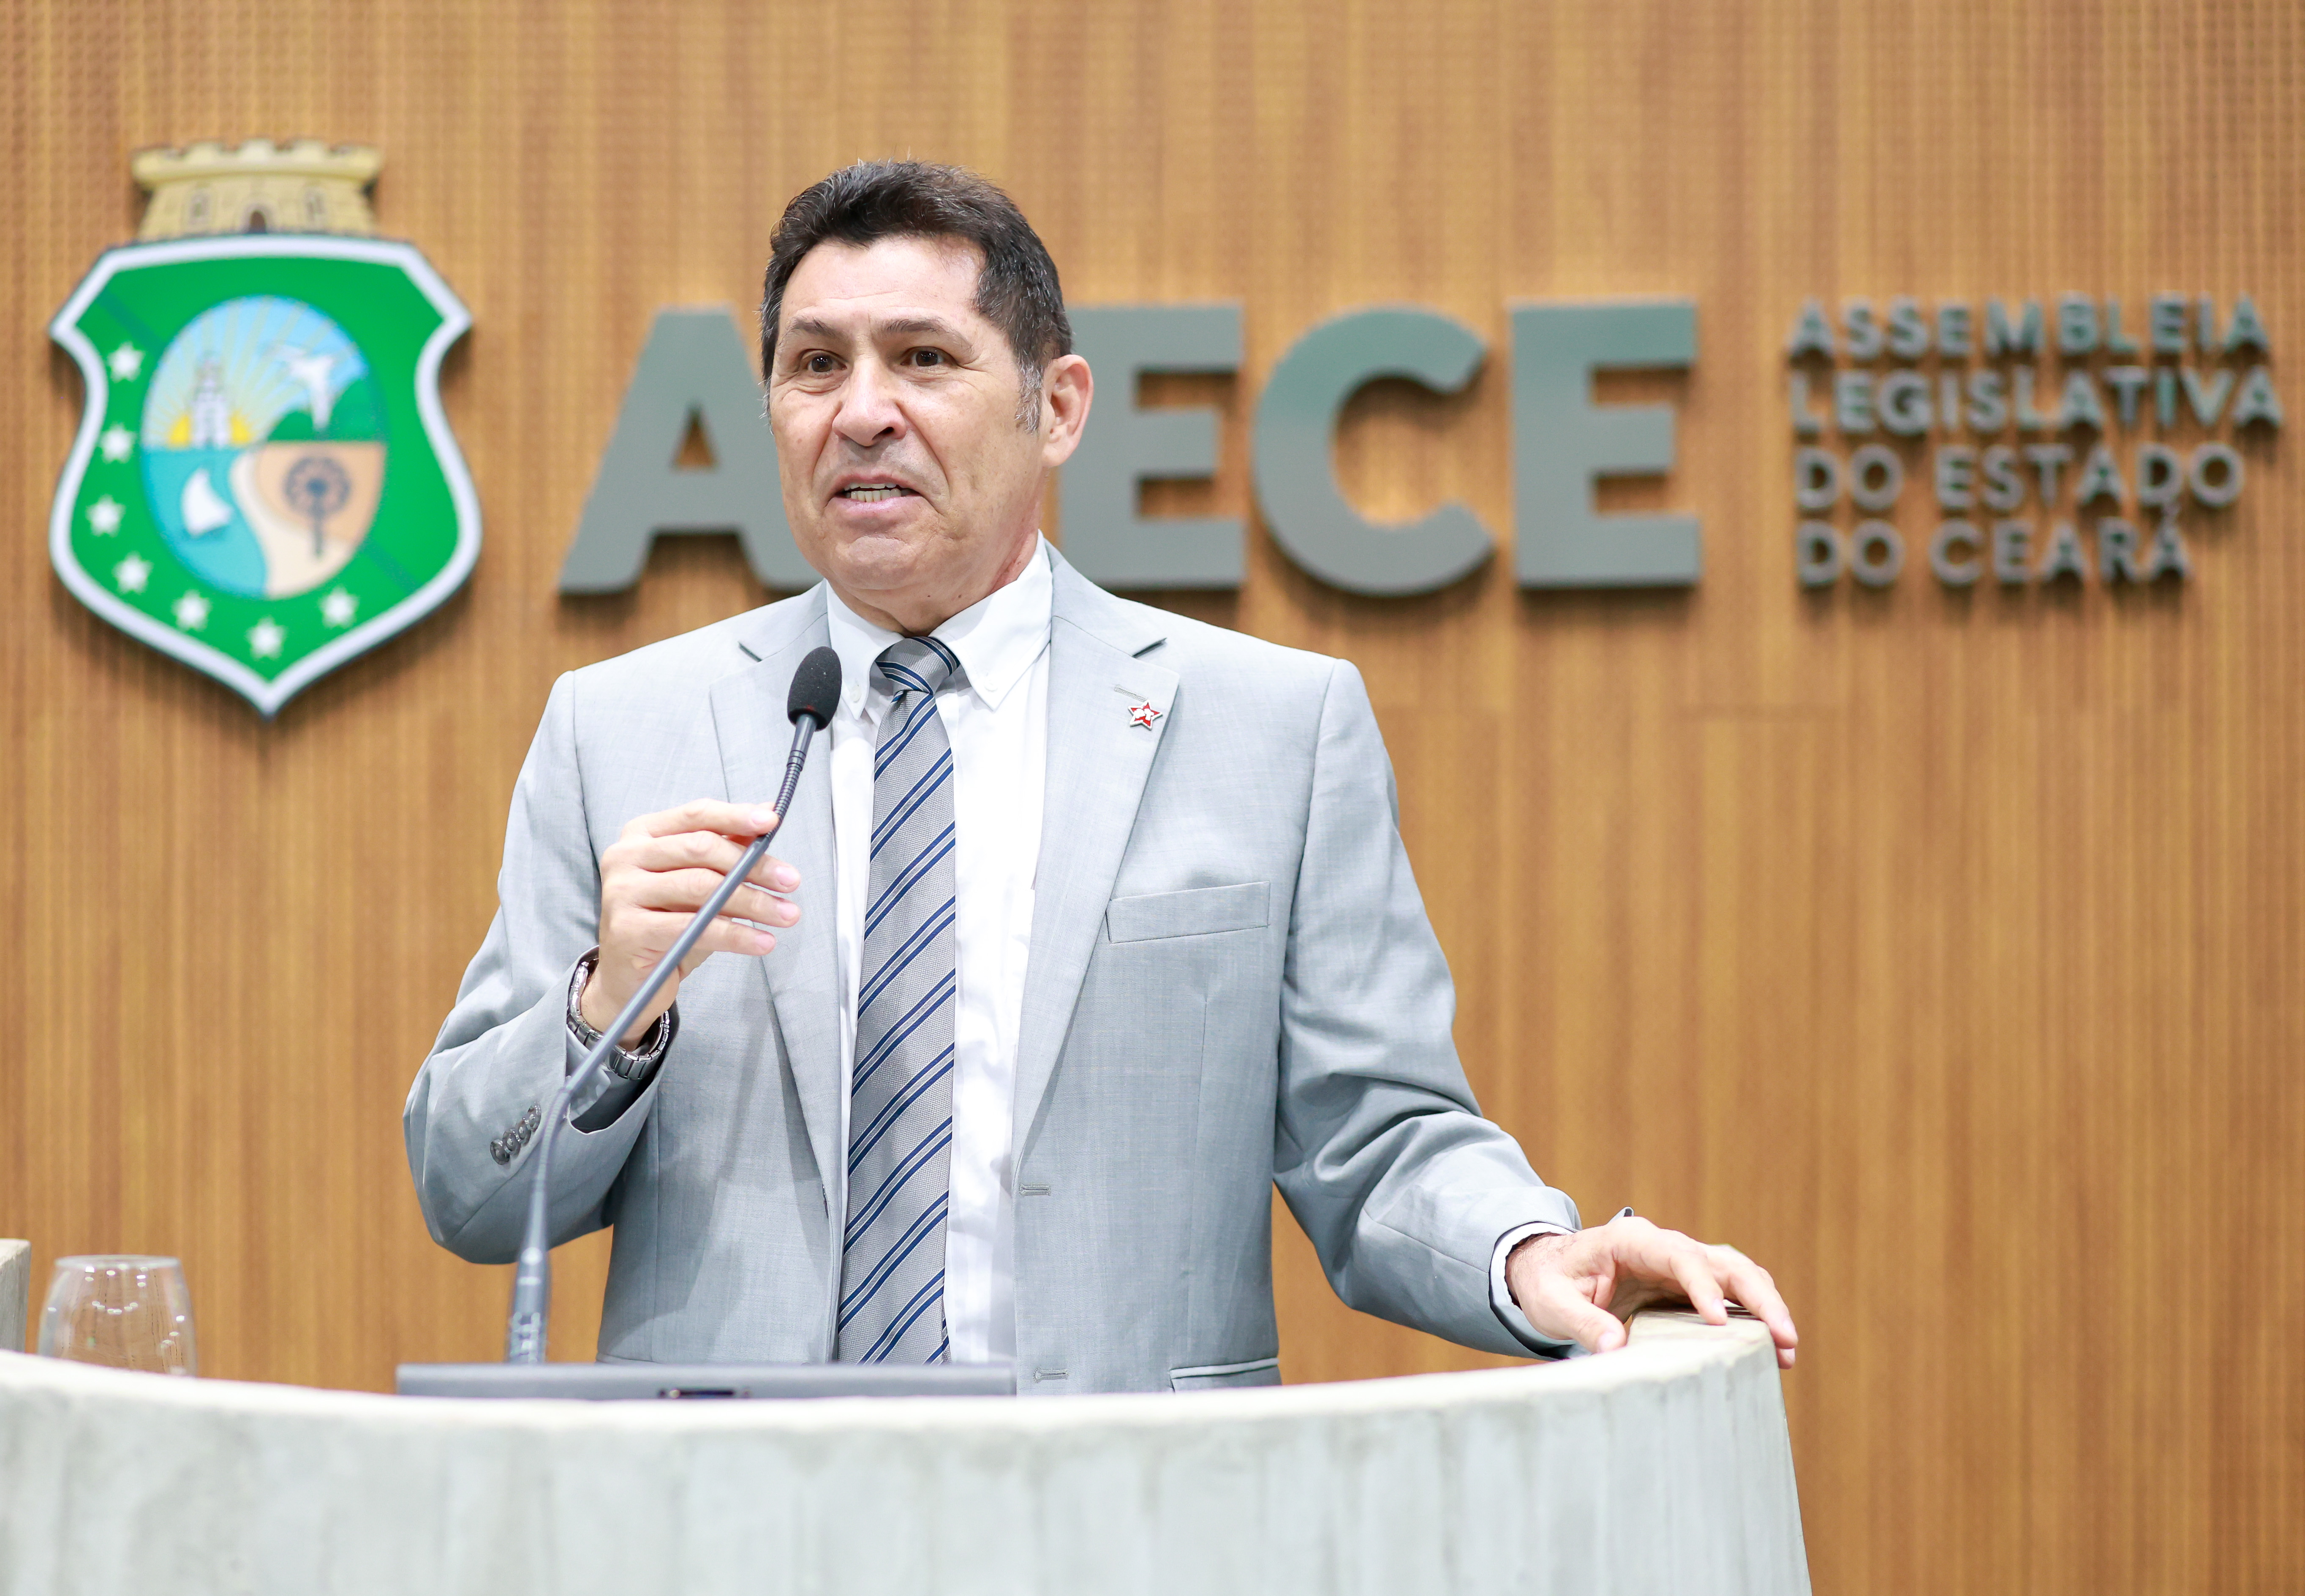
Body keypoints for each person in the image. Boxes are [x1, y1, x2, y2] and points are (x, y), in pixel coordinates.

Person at [404, 160, 1797, 1390]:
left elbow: (1373, 1136)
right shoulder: (621, 727)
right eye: (816, 365)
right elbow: (469, 1194)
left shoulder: (1273, 728)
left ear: (1057, 407)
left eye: (925, 359)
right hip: (734, 1531)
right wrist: (607, 1010)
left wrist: (1533, 1252)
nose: (863, 412)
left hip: (1132, 1519)